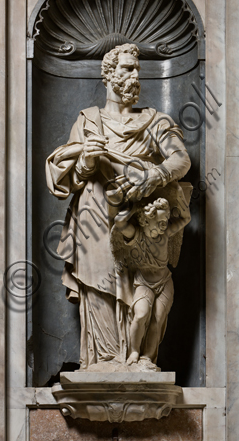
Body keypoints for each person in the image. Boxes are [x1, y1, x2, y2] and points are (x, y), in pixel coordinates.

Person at [45, 43, 191, 370]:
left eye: (137, 69)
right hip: (93, 215)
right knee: (98, 284)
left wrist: (152, 177)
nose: (134, 75)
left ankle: (135, 359)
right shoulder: (88, 121)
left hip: (138, 217)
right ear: (108, 74)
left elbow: (181, 160)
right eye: (126, 68)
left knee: (138, 292)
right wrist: (85, 159)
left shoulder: (154, 121)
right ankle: (102, 362)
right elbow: (68, 180)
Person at [113, 195, 191, 371]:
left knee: (157, 319)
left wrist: (179, 196)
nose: (164, 224)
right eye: (160, 221)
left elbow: (186, 218)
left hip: (164, 282)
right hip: (143, 282)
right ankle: (134, 352)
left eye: (165, 220)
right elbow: (119, 223)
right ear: (147, 220)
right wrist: (133, 206)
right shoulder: (136, 234)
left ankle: (147, 357)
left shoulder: (166, 234)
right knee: (141, 315)